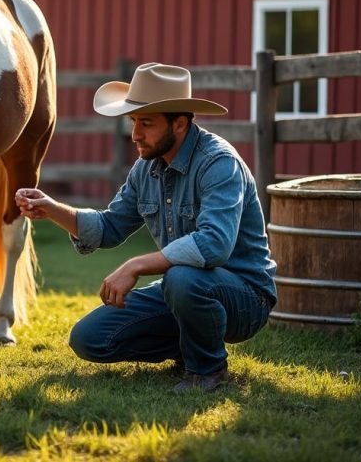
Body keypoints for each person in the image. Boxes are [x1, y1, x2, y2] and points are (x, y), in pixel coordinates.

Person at [16, 62, 276, 392]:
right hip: (182, 291)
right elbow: (110, 226)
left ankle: (208, 370)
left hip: (245, 296)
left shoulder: (218, 163)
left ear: (179, 123)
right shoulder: (146, 167)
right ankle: (191, 346)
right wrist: (52, 209)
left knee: (182, 278)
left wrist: (137, 264)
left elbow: (214, 245)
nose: (135, 134)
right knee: (90, 339)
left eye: (146, 123)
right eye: (134, 121)